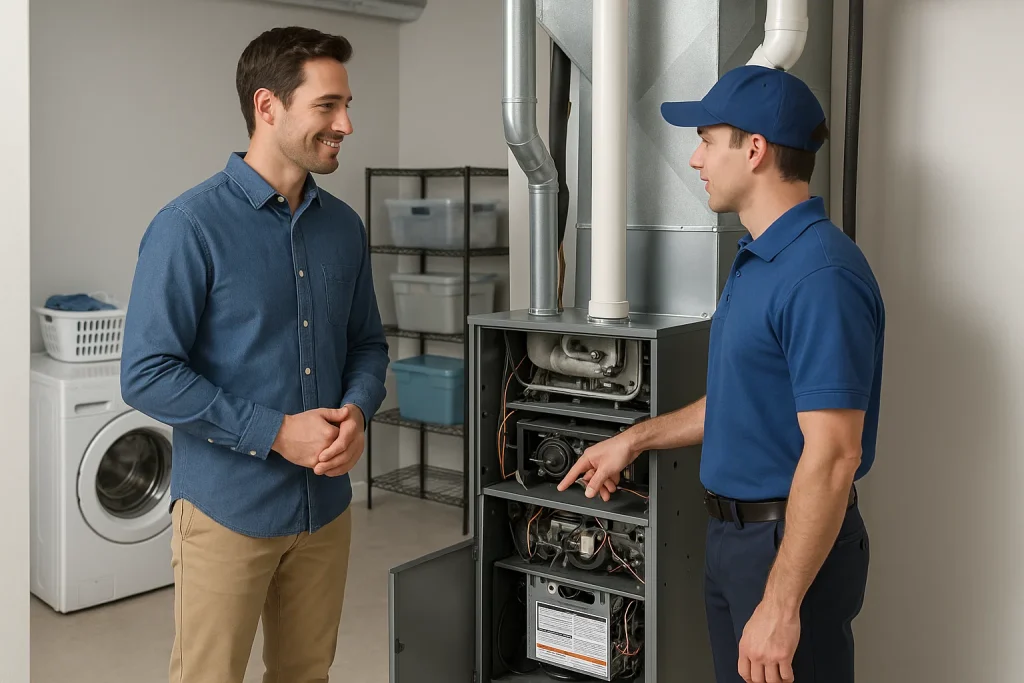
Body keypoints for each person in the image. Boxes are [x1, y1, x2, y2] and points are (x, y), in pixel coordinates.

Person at [558, 64, 884, 683]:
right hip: (736, 542)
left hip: (787, 549)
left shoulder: (820, 276)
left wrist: (782, 604)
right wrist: (634, 439)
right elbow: (744, 402)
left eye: (707, 140)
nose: (694, 158)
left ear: (754, 149)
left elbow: (835, 454)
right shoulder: (759, 258)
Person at [119, 26, 389, 683]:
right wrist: (275, 433)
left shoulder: (344, 227)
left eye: (347, 104)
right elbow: (146, 373)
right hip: (226, 511)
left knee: (305, 673)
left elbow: (368, 344)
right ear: (268, 107)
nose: (346, 123)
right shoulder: (188, 227)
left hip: (323, 510)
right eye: (328, 106)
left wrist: (356, 410)